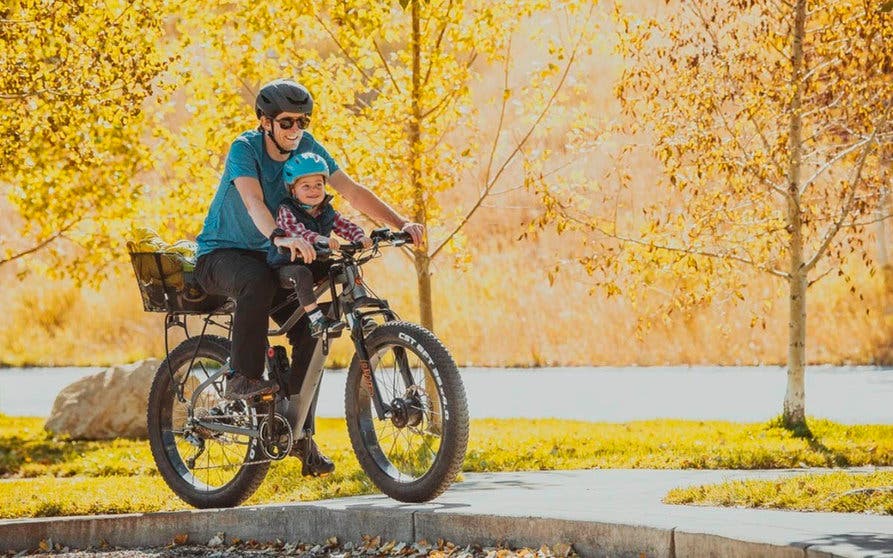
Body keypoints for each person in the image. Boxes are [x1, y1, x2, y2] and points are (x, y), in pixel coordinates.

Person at [194, 78, 423, 476]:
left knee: (315, 328)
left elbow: (351, 190)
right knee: (257, 282)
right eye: (286, 122)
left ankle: (296, 432)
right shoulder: (244, 149)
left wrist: (400, 222)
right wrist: (279, 234)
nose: (295, 130)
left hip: (276, 251)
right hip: (224, 254)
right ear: (265, 121)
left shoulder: (307, 148)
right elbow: (251, 200)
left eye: (302, 121)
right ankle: (241, 378)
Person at [267, 151, 372, 338]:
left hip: (315, 261)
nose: (313, 190)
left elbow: (344, 225)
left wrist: (360, 237)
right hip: (286, 266)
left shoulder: (326, 210)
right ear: (293, 190)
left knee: (345, 267)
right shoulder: (286, 210)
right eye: (305, 186)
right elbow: (297, 232)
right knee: (302, 274)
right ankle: (316, 320)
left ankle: (357, 314)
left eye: (318, 185)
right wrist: (319, 239)